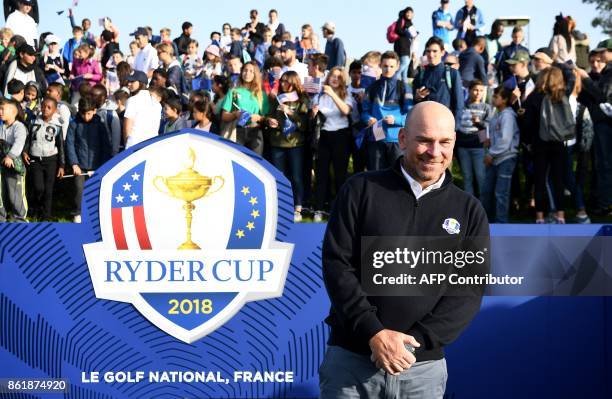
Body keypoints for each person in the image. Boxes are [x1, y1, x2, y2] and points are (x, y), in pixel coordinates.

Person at [320, 101, 488, 399]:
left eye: (444, 142)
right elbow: (338, 266)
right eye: (424, 140)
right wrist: (374, 334)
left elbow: (467, 291)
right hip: (352, 365)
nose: (434, 152)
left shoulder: (469, 210)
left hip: (422, 370)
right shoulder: (360, 190)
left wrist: (413, 344)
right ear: (402, 139)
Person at [523, 67, 569, 224]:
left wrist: (527, 142)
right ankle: (561, 215)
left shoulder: (534, 97)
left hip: (539, 143)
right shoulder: (562, 95)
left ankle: (540, 217)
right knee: (558, 180)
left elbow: (527, 124)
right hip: (559, 142)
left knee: (540, 181)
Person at [265, 71, 309, 222]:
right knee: (280, 177)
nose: (283, 84)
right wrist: (270, 121)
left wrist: (290, 112)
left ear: (294, 83)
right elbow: (269, 116)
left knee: (296, 177)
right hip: (277, 143)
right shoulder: (276, 99)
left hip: (295, 144)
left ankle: (298, 207)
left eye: (287, 82)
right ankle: (282, 207)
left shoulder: (302, 100)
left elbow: (304, 125)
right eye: (282, 81)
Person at [312, 66, 354, 222]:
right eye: (332, 76)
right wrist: (314, 111)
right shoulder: (320, 95)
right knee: (322, 174)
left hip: (341, 136)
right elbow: (314, 115)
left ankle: (340, 209)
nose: (335, 79)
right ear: (328, 78)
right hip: (323, 136)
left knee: (340, 174)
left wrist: (332, 94)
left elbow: (346, 111)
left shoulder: (346, 94)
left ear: (342, 80)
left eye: (338, 77)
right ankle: (319, 209)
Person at [361, 51, 413, 171]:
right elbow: (364, 111)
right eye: (385, 66)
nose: (388, 69)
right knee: (376, 175)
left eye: (391, 66)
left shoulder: (404, 87)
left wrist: (396, 120)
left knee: (398, 177)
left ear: (398, 66)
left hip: (396, 140)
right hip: (376, 136)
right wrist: (368, 119)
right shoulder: (372, 87)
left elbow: (411, 116)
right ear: (380, 65)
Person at [66, 96, 111, 223]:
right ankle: (77, 213)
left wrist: (103, 165)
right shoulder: (74, 123)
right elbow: (69, 143)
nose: (86, 117)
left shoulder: (100, 124)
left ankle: (97, 213)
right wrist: (74, 163)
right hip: (79, 165)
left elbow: (105, 145)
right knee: (79, 189)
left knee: (97, 190)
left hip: (97, 165)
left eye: (89, 114)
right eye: (83, 113)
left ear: (94, 111)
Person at [481, 86, 519, 223]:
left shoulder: (508, 115)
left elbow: (505, 140)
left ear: (504, 100)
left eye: (496, 97)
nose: (493, 99)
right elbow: (495, 134)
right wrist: (489, 140)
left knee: (501, 193)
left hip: (505, 158)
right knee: (487, 191)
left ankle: (501, 222)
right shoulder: (497, 114)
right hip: (495, 158)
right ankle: (485, 221)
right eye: (494, 96)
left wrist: (491, 153)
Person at [23, 97, 64, 220]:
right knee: (38, 187)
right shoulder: (33, 122)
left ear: (55, 110)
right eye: (43, 106)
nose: (45, 109)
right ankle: (36, 207)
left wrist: (61, 165)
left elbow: (61, 146)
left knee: (48, 189)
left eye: (49, 107)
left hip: (51, 160)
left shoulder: (57, 126)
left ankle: (46, 215)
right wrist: (25, 152)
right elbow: (28, 139)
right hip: (35, 159)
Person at [413, 36, 464, 129]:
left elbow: (459, 104)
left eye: (435, 51)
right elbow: (413, 104)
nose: (431, 54)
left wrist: (455, 128)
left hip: (444, 125)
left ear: (442, 52)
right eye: (428, 51)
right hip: (424, 125)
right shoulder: (420, 75)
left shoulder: (452, 73)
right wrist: (417, 97)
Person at [220, 61, 269, 154]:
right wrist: (235, 114)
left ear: (256, 74)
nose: (247, 73)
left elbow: (265, 117)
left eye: (251, 71)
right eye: (245, 70)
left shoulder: (261, 94)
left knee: (254, 164)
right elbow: (224, 116)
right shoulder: (233, 92)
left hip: (255, 132)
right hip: (237, 131)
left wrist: (258, 117)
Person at [456, 79, 491, 198]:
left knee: (481, 176)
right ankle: (469, 205)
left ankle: (483, 206)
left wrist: (479, 122)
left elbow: (489, 126)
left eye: (481, 90)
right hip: (463, 146)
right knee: (467, 177)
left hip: (478, 147)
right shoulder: (462, 106)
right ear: (469, 91)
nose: (478, 93)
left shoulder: (486, 107)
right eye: (475, 90)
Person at [0, 98, 28, 222]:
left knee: (15, 194)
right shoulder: (2, 127)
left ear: (13, 112)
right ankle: (2, 217)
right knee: (2, 193)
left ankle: (19, 219)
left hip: (15, 167)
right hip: (2, 167)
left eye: (2, 109)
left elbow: (19, 143)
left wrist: (10, 156)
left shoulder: (19, 127)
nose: (0, 112)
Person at [123, 70, 162, 149]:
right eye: (128, 81)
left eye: (132, 81)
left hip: (134, 146)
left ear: (141, 83)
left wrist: (127, 146)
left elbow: (127, 128)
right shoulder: (157, 103)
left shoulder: (132, 101)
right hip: (151, 146)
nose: (129, 84)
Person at [90, 83, 121, 156]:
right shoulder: (89, 111)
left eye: (93, 96)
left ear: (102, 97)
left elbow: (116, 136)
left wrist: (114, 155)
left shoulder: (111, 114)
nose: (90, 98)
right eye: (90, 95)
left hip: (105, 155)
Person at [394, 7, 417, 83]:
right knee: (405, 63)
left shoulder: (410, 23)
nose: (409, 14)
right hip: (402, 46)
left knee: (405, 70)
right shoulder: (401, 20)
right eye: (407, 12)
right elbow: (398, 30)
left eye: (410, 12)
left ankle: (405, 87)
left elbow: (413, 35)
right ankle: (393, 78)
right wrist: (407, 33)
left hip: (407, 47)